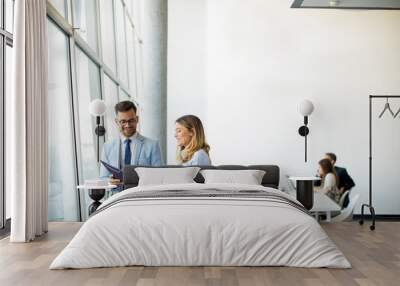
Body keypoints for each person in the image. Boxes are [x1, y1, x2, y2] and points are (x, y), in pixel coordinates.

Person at [100, 101, 163, 186]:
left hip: (142, 195)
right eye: (123, 121)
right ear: (116, 121)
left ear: (137, 119)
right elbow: (103, 177)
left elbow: (160, 176)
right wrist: (109, 181)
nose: (127, 125)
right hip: (116, 196)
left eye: (131, 120)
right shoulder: (107, 147)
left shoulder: (152, 145)